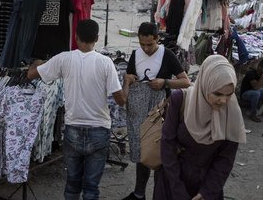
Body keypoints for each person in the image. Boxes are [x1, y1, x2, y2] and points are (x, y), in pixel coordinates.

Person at [27, 19, 125, 200]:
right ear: (96, 38)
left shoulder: (64, 58)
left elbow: (31, 74)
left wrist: (37, 63)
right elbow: (120, 100)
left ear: (76, 37)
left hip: (73, 130)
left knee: (72, 183)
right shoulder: (106, 63)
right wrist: (127, 85)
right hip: (99, 129)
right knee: (91, 187)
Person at [153, 55, 246, 200]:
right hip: (172, 183)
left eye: (229, 94)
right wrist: (178, 190)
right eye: (217, 93)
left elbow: (225, 159)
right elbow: (167, 145)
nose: (223, 100)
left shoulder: (231, 113)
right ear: (205, 85)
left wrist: (207, 192)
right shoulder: (181, 100)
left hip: (206, 188)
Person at [121, 22, 191, 200]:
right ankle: (139, 194)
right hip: (139, 115)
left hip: (160, 115)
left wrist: (165, 83)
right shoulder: (136, 55)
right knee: (142, 154)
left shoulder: (166, 54)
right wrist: (127, 79)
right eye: (142, 44)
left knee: (160, 155)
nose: (146, 48)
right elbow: (129, 81)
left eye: (150, 44)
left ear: (157, 39)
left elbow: (185, 81)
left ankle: (160, 195)